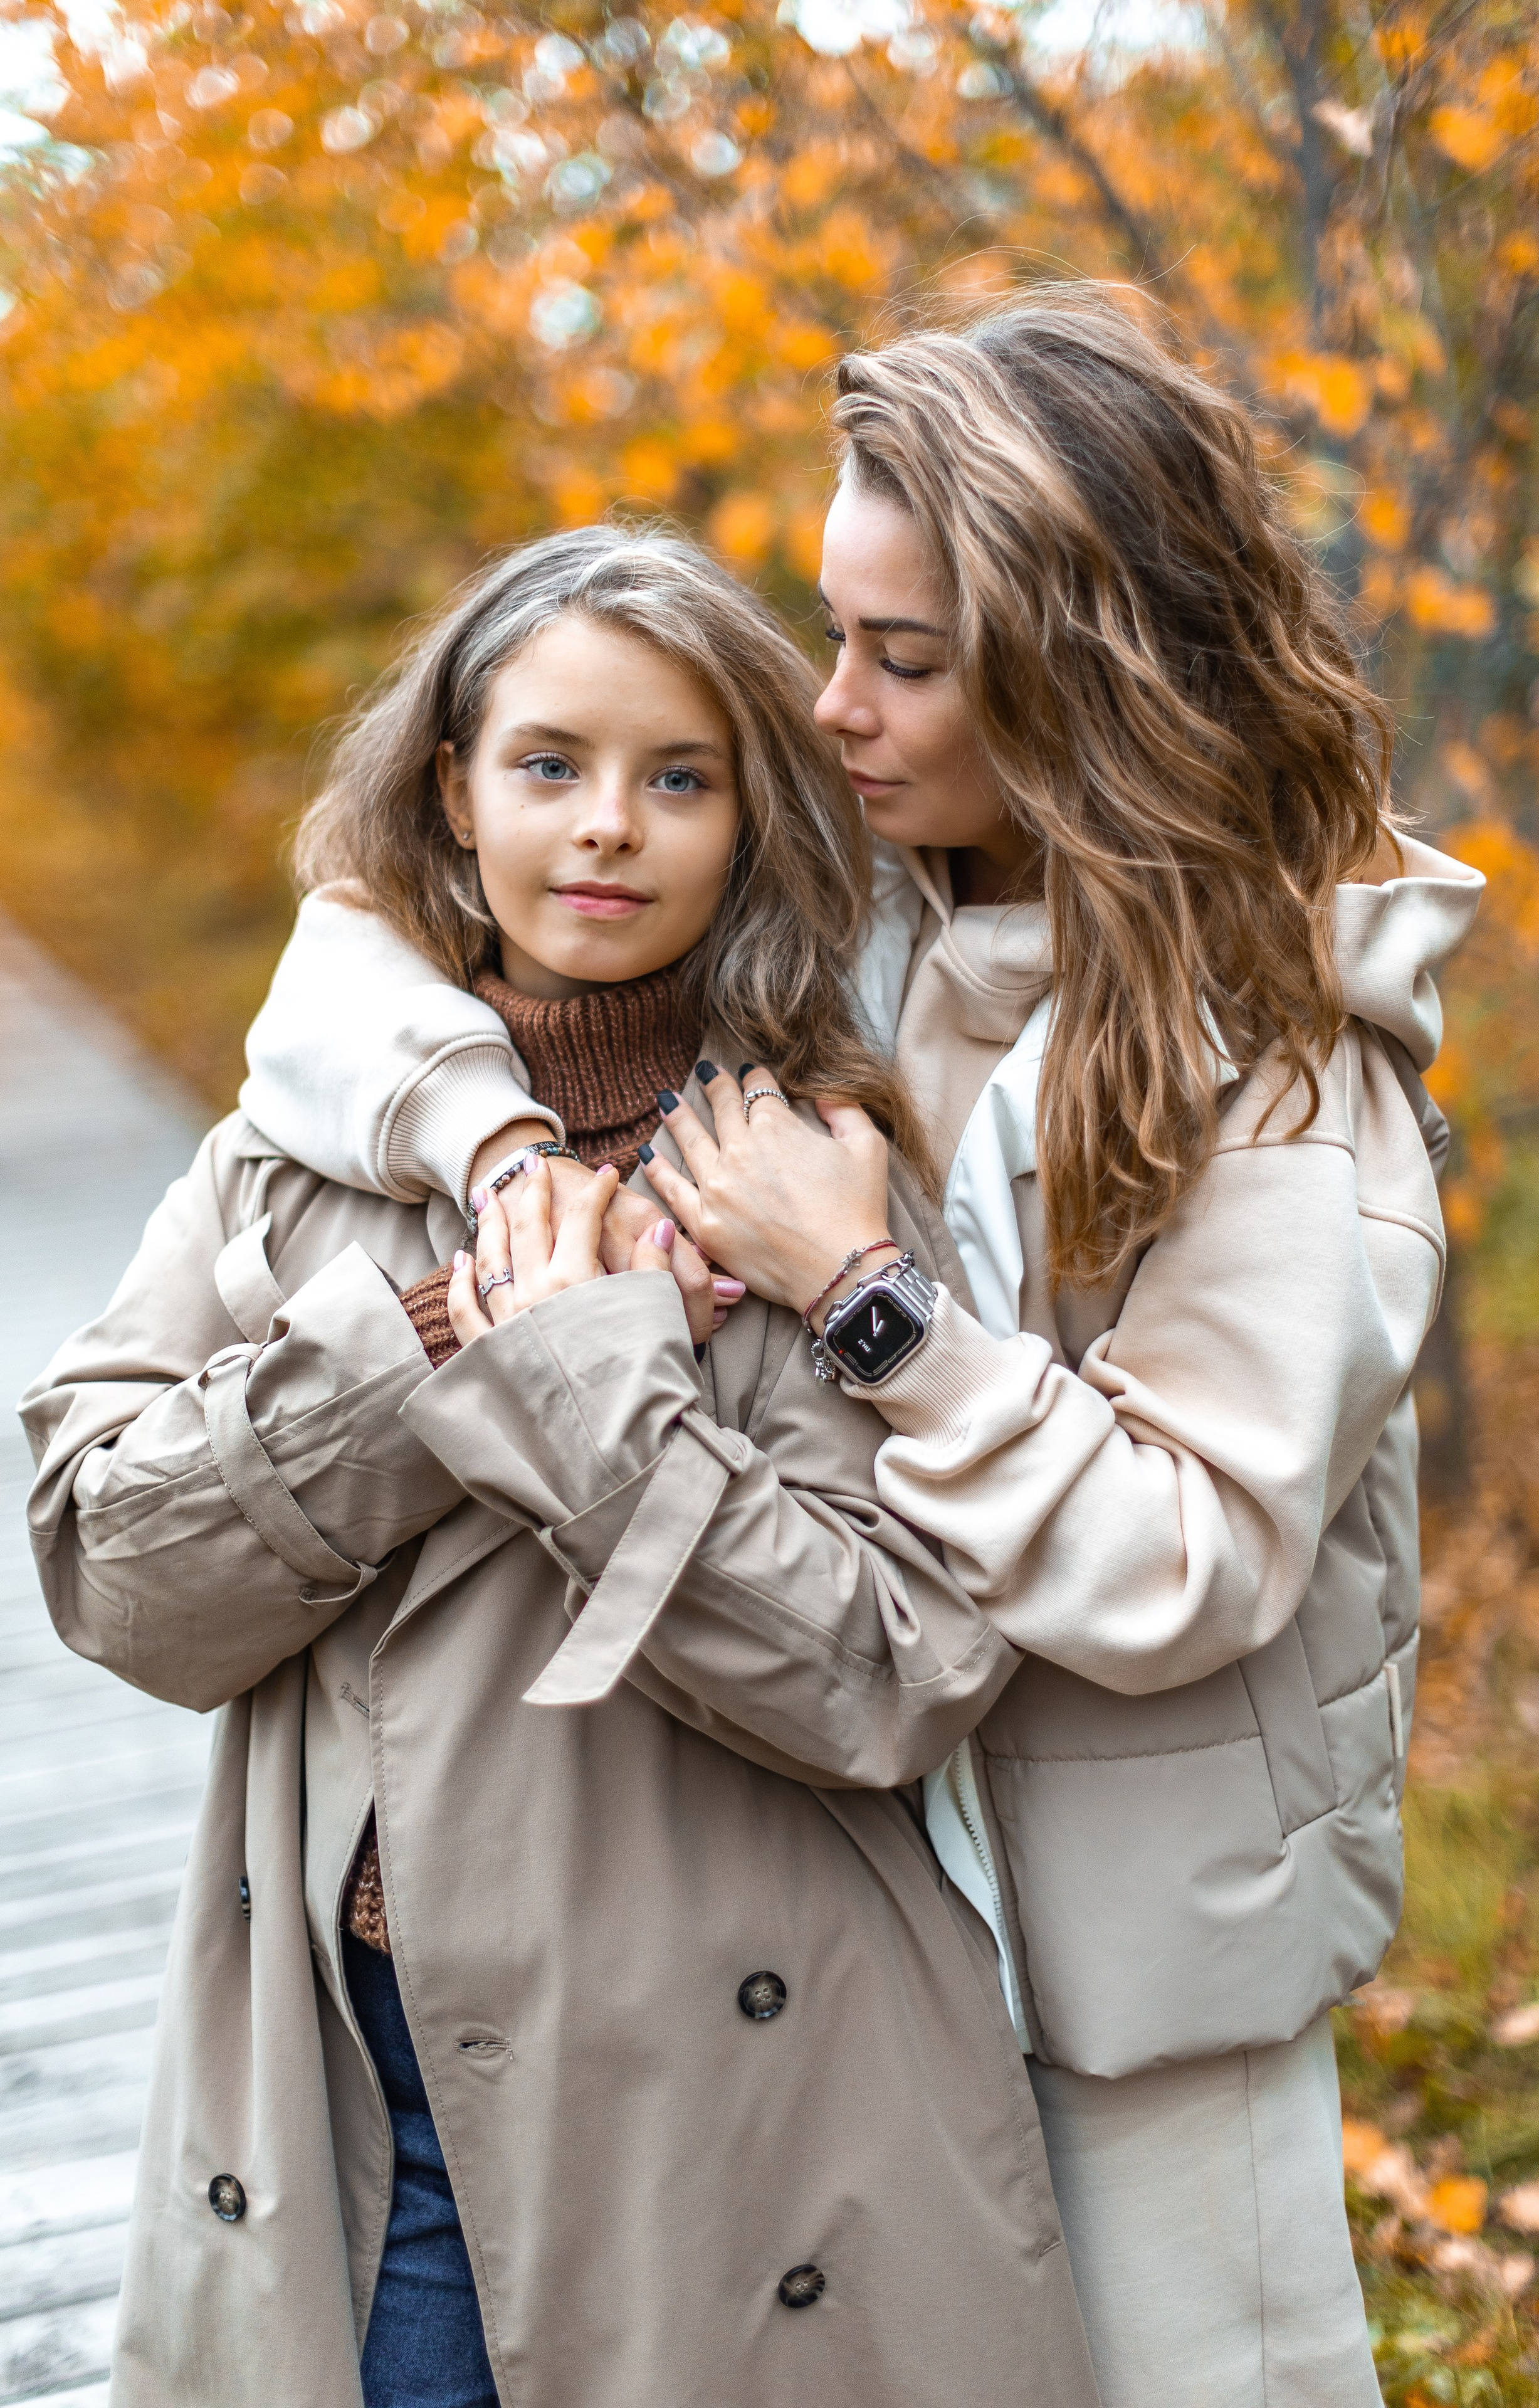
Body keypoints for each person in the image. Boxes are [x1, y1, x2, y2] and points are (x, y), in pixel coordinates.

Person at [237, 287, 1485, 2407]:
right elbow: (359, 943)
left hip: (1126, 1963)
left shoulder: (1289, 1075)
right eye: (832, 636)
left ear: (1081, 680)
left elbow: (1187, 1565)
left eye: (905, 661)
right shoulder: (874, 901)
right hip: (815, 1907)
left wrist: (865, 1298)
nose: (833, 707)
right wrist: (498, 1132)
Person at [20, 529, 1100, 2408]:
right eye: (550, 766)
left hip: (746, 2101)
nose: (607, 826)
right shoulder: (289, 1168)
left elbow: (894, 1679)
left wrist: (581, 1387)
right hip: (380, 2085)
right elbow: (112, 1572)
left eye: (677, 777)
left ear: (752, 819)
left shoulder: (806, 1179)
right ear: (452, 794)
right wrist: (437, 1344)